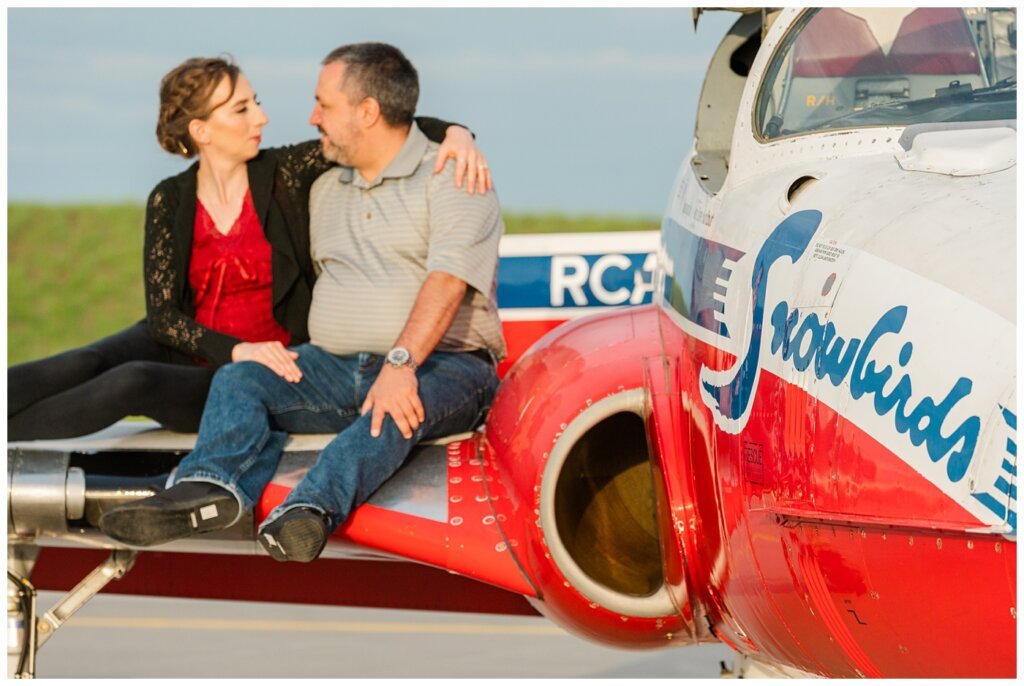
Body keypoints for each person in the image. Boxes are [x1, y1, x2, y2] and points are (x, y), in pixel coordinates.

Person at [100, 42, 506, 564]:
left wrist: (402, 364)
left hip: (443, 365)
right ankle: (211, 490)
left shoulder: (455, 173)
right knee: (240, 379)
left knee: (388, 411)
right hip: (332, 367)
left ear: (366, 112)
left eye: (324, 105)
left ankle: (310, 510)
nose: (311, 117)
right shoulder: (323, 187)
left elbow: (448, 280)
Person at [7, 56, 491, 441]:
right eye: (241, 108)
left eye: (254, 101)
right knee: (83, 361)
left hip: (259, 368)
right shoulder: (169, 198)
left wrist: (456, 131)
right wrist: (235, 348)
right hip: (196, 341)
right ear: (201, 130)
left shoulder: (286, 171)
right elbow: (163, 319)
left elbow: (380, 121)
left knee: (131, 381)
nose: (261, 116)